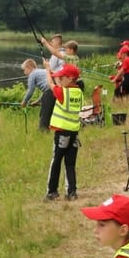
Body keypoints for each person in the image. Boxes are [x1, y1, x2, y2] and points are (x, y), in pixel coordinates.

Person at [44, 63, 83, 202]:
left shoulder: (62, 92)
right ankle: (71, 192)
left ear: (70, 78)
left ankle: (52, 192)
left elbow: (50, 83)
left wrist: (47, 69)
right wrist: (54, 71)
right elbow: (57, 82)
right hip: (74, 132)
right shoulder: (78, 92)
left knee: (56, 161)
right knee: (70, 163)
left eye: (62, 77)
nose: (59, 80)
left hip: (61, 133)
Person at [38, 33, 67, 130]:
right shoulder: (59, 54)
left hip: (54, 88)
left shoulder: (60, 54)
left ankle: (44, 129)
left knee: (47, 111)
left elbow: (54, 70)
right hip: (55, 87)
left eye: (52, 41)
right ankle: (49, 127)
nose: (51, 43)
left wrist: (46, 66)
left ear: (57, 42)